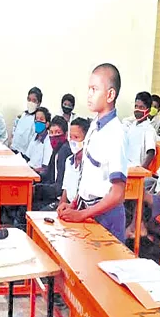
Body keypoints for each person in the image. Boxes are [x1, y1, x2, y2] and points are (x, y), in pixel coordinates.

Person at [58, 63, 128, 242]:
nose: (89, 95)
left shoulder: (115, 134)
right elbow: (88, 175)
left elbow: (118, 194)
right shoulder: (94, 127)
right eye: (88, 89)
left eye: (94, 89)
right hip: (88, 210)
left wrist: (82, 215)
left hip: (106, 218)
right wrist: (73, 205)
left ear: (110, 95)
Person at [32, 116, 73, 210]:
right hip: (51, 191)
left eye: (58, 132)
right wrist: (34, 177)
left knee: (28, 207)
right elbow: (48, 172)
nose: (54, 136)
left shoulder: (64, 150)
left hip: (60, 199)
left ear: (66, 135)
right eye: (51, 133)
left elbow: (59, 188)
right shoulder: (56, 150)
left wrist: (37, 189)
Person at [56, 118, 92, 211]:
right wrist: (59, 210)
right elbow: (65, 190)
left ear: (86, 139)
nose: (72, 141)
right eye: (70, 137)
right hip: (69, 206)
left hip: (82, 210)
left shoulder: (89, 164)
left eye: (76, 137)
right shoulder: (69, 161)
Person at [125, 91, 156, 169]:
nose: (137, 110)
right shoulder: (132, 125)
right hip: (126, 165)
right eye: (136, 106)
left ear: (148, 111)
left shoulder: (149, 129)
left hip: (137, 169)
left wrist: (142, 170)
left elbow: (151, 153)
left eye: (141, 107)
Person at [11, 87, 42, 155]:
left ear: (39, 103)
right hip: (14, 150)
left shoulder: (38, 120)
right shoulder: (23, 115)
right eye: (29, 99)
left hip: (25, 155)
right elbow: (15, 132)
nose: (31, 102)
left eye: (34, 101)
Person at [24, 107, 53, 171]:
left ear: (47, 124)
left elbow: (45, 168)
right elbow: (27, 157)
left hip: (36, 174)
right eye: (36, 119)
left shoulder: (48, 142)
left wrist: (31, 170)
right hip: (28, 168)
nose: (38, 121)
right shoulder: (35, 136)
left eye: (41, 119)